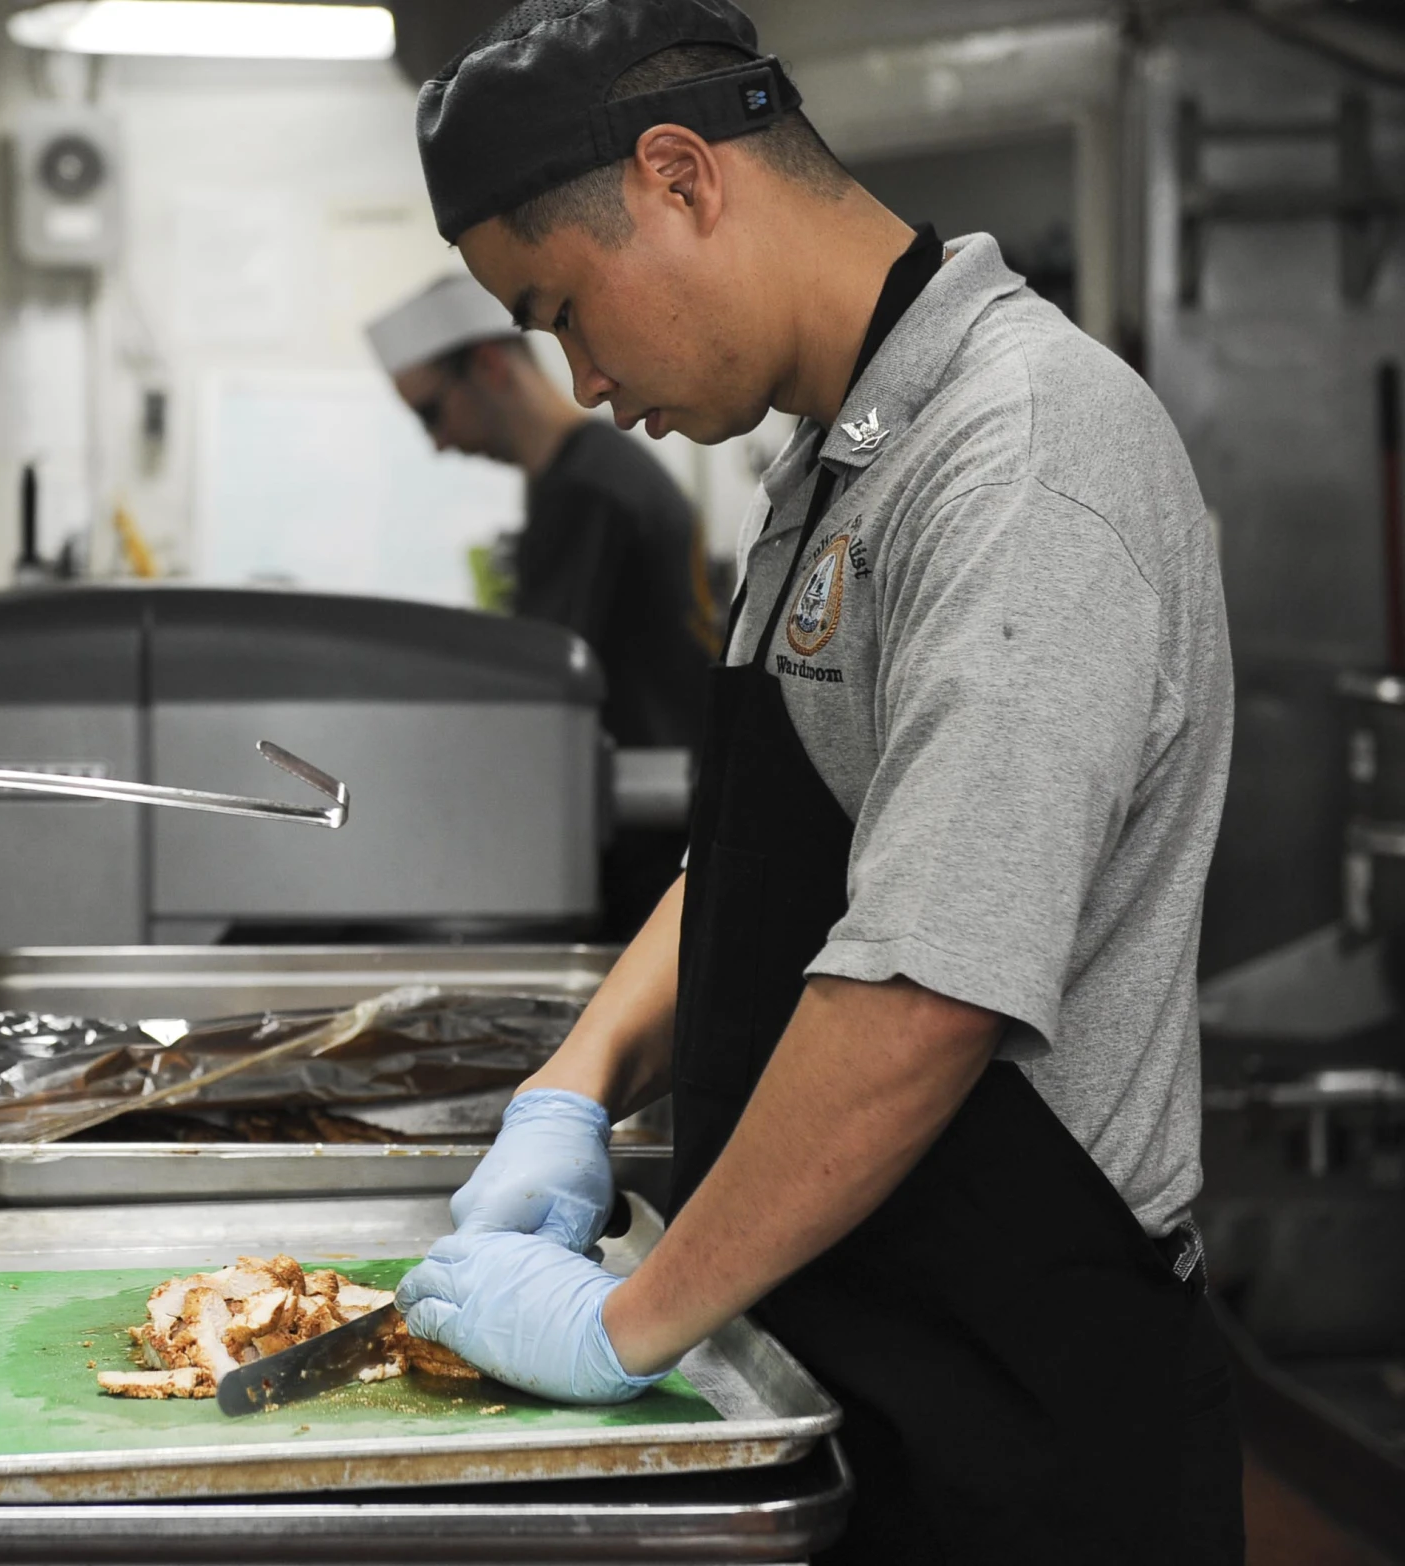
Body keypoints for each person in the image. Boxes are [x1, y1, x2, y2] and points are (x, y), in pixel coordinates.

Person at [386, 1, 1244, 1560]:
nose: (577, 380)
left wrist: (629, 1320)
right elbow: (776, 863)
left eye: (565, 306)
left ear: (680, 177)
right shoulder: (834, 461)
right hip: (846, 1357)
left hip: (1017, 1419)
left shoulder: (1021, 456)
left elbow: (926, 987)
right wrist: (572, 1089)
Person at [367, 276, 714, 930]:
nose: (436, 444)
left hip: (644, 855)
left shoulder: (587, 494)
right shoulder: (594, 475)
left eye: (430, 412)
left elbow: (539, 701)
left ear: (490, 366)